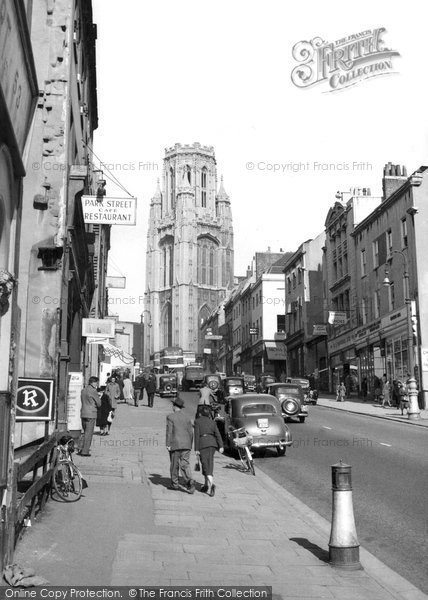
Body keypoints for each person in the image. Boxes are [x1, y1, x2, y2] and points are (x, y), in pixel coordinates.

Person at [165, 396, 195, 493]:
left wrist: (168, 443)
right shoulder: (187, 417)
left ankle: (175, 484)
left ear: (174, 406)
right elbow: (191, 432)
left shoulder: (170, 417)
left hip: (175, 444)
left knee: (174, 464)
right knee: (185, 464)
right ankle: (189, 481)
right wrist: (190, 443)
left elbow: (169, 432)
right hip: (186, 444)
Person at [194, 405, 224, 497]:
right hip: (212, 444)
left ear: (201, 413)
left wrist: (196, 449)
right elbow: (218, 434)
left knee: (205, 464)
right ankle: (206, 485)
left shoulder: (197, 421)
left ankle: (212, 484)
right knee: (209, 463)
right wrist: (221, 446)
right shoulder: (212, 422)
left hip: (203, 444)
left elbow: (197, 436)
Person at [79, 376, 101, 456]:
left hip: (83, 412)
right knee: (89, 433)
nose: (97, 384)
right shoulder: (93, 391)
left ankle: (81, 448)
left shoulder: (83, 390)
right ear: (93, 382)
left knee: (85, 432)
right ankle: (85, 451)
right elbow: (99, 403)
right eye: (96, 382)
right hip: (91, 414)